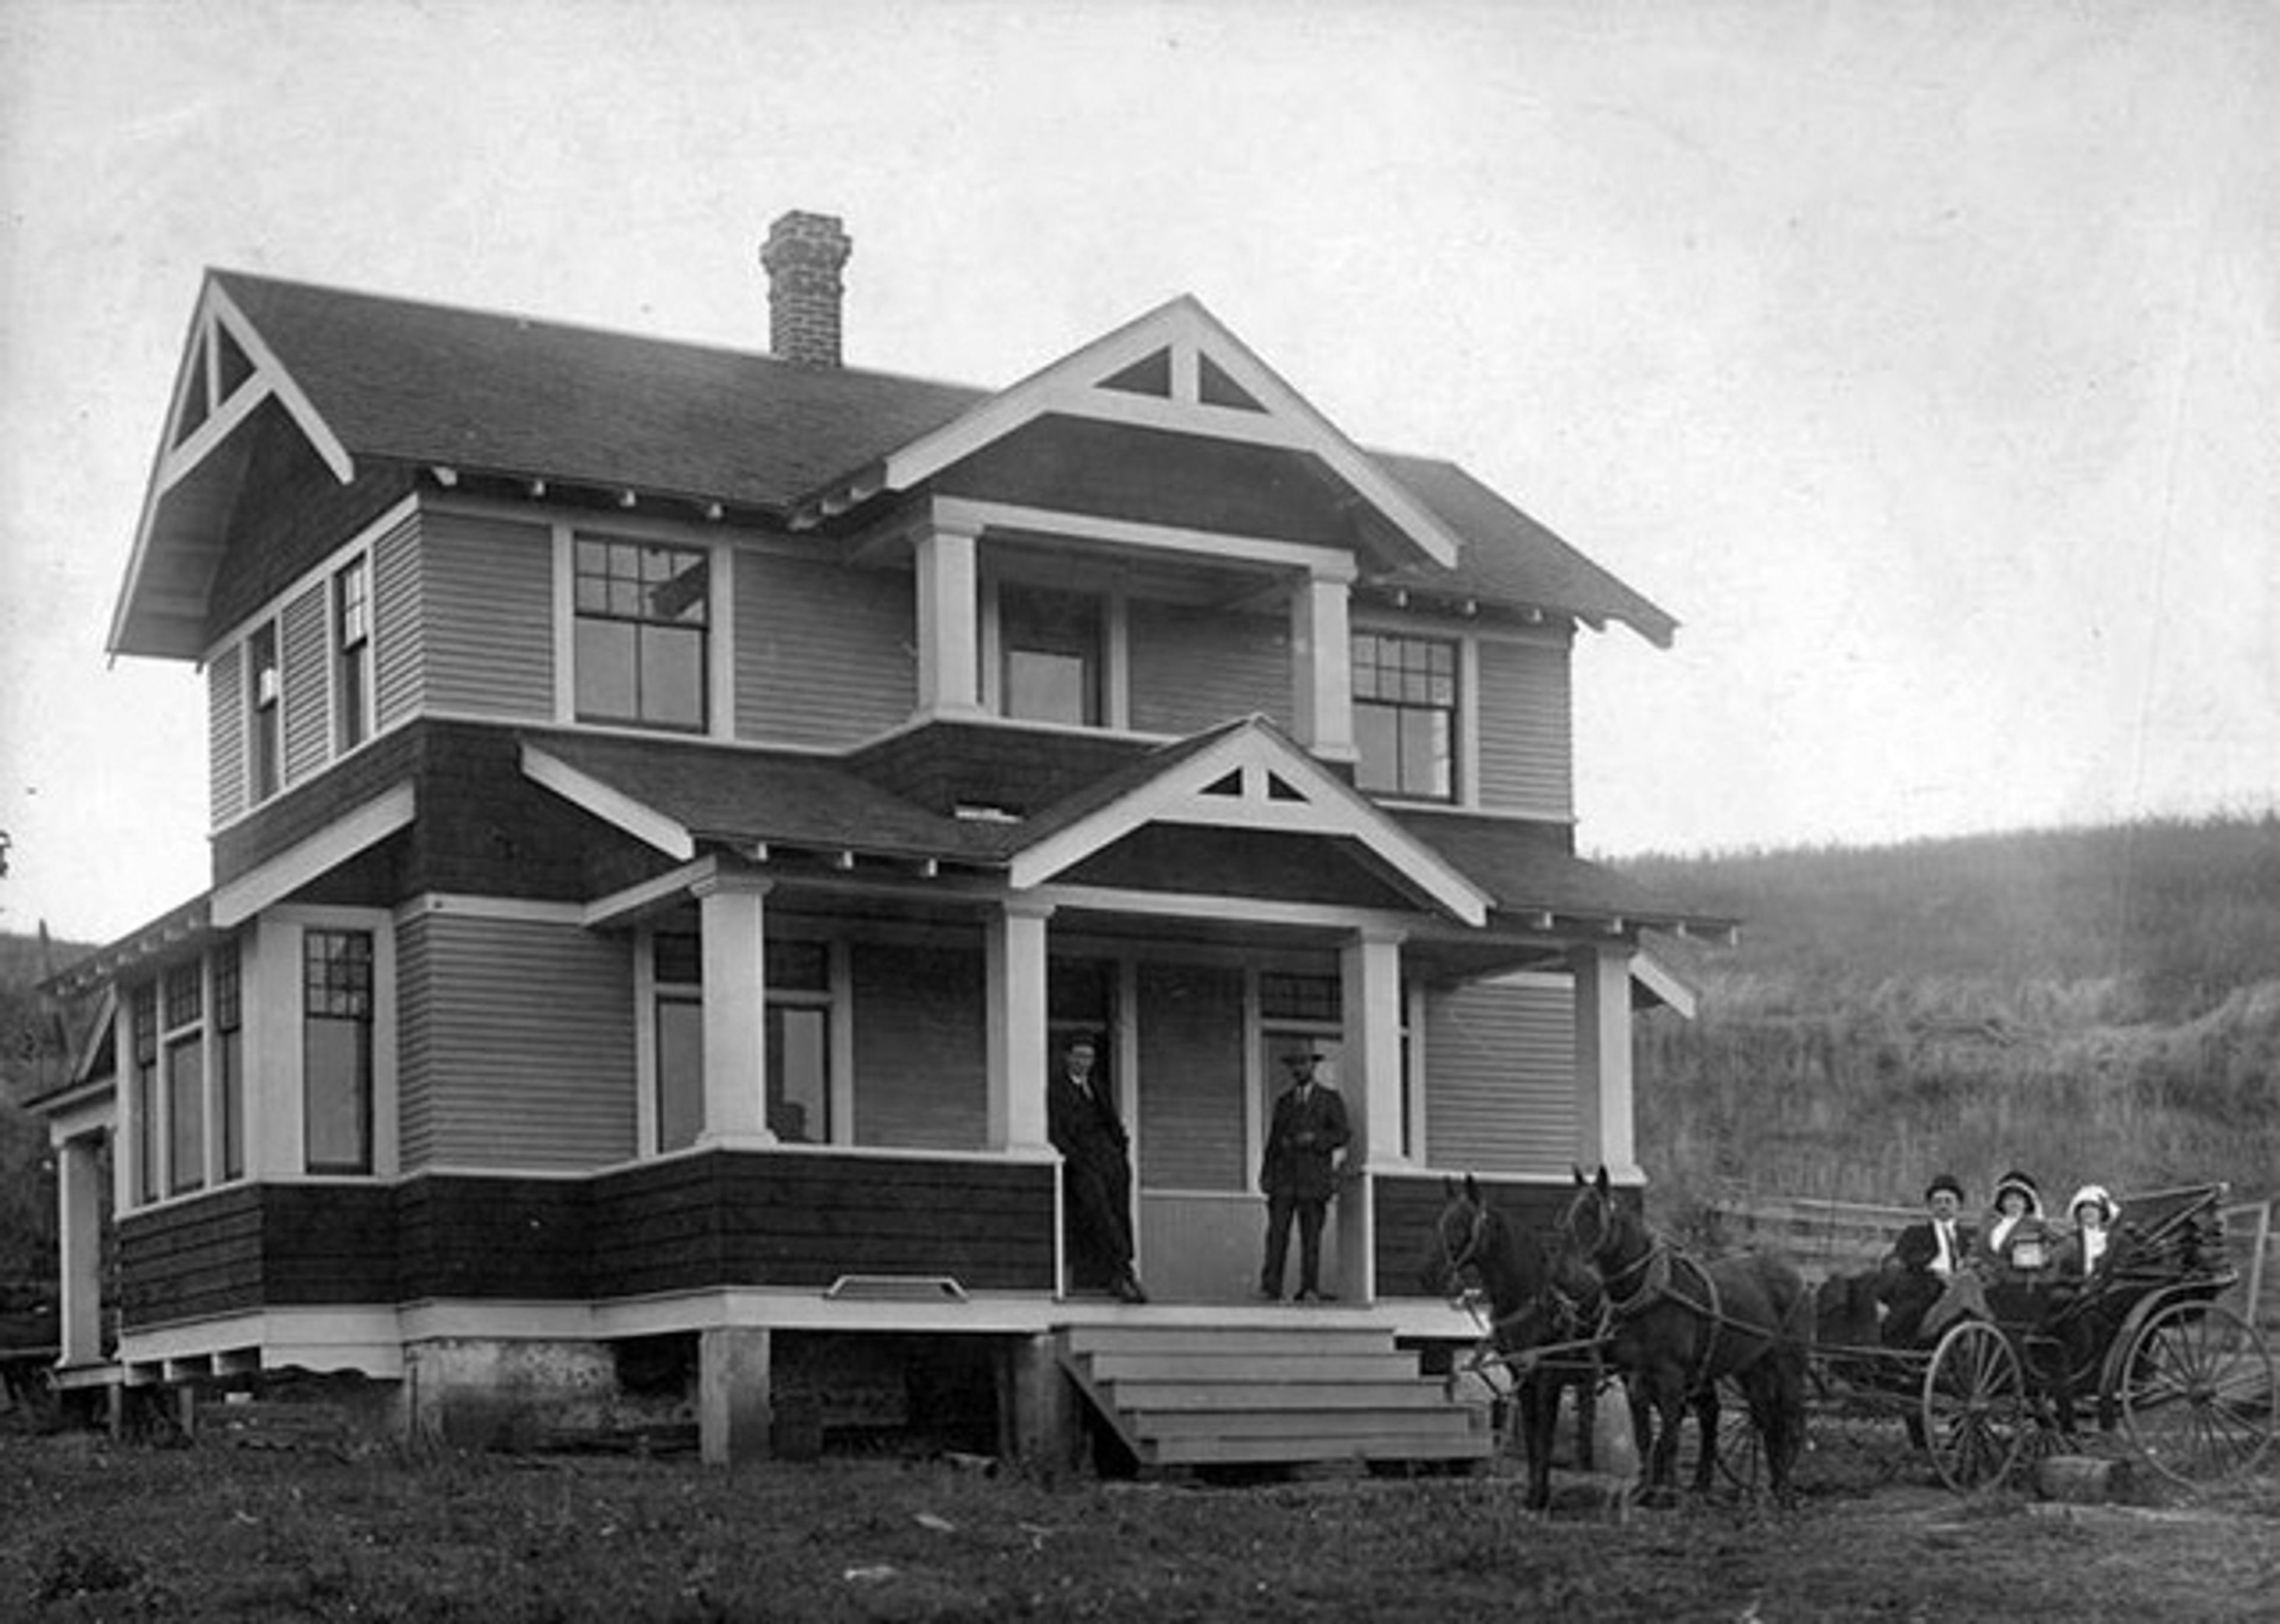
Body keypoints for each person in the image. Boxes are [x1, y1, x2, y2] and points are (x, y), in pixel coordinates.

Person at [1046, 1033, 1146, 1303]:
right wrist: (1077, 1160)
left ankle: (1123, 1275)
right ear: (1067, 1057)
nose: (1084, 1062)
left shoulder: (1098, 1088)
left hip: (1109, 1161)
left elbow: (1112, 1123)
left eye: (1089, 1057)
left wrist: (1121, 1151)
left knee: (1120, 1215)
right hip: (1083, 1164)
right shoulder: (1056, 1090)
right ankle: (1120, 1274)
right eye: (1079, 1056)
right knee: (1101, 1216)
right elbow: (1057, 1131)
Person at [1256, 1049, 1351, 1302]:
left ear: (1314, 1066)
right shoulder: (1284, 1102)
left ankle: (1309, 1288)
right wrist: (1266, 1174)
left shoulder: (1329, 1100)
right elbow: (1273, 1143)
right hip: (1284, 1180)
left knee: (1311, 1238)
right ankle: (1271, 1287)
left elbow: (1343, 1134)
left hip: (1313, 1180)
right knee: (1277, 1234)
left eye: (1303, 1064)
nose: (1298, 1069)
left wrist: (1316, 1140)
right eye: (1294, 1065)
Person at [1880, 1173, 1976, 1345]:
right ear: (1931, 1206)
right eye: (1938, 1202)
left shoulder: (1968, 1239)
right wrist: (1932, 1272)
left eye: (1948, 1201)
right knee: (1911, 1305)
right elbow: (1899, 1258)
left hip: (1958, 1290)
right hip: (1924, 1284)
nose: (1943, 1206)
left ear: (1958, 1205)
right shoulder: (1915, 1234)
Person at [1971, 1168, 2056, 1277]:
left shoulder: (2036, 1225)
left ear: (2026, 1203)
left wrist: (2045, 1257)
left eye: (2018, 1199)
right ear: (2002, 1203)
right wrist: (1978, 1265)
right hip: (1986, 1280)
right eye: (2009, 1199)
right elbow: (1974, 1253)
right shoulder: (1989, 1226)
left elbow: (2061, 1244)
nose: (2014, 1203)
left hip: (2019, 1282)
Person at [2056, 1184, 2121, 1281]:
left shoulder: (2115, 1240)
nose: (2088, 1210)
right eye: (2084, 1207)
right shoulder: (2070, 1241)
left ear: (2103, 1212)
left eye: (2093, 1207)